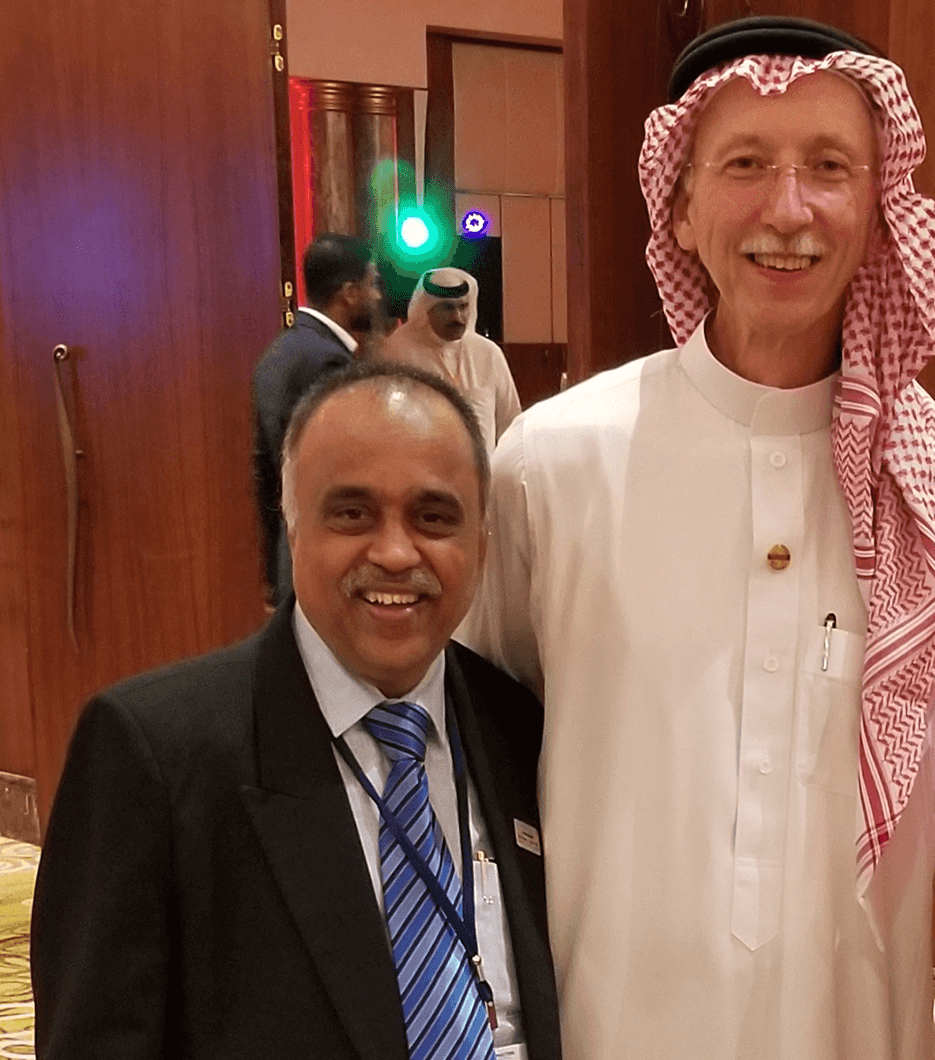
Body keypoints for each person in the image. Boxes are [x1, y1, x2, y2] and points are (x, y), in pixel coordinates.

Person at [463, 15, 935, 1060]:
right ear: (678, 207)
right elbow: (465, 773)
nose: (789, 208)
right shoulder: (550, 467)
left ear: (880, 210)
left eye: (830, 166)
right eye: (744, 164)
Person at [33, 362, 561, 1060]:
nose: (398, 552)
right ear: (292, 525)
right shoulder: (156, 755)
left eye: (434, 517)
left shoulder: (516, 726)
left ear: (481, 540)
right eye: (353, 513)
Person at [252, 232, 383, 608]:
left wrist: (270, 572)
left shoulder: (279, 352)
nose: (376, 296)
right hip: (323, 561)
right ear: (349, 292)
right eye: (371, 284)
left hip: (289, 550)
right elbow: (346, 472)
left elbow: (263, 471)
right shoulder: (326, 361)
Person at [383, 266, 521, 447]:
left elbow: (510, 422)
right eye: (447, 308)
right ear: (427, 309)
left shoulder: (488, 353)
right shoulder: (396, 351)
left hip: (482, 472)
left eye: (463, 307)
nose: (457, 317)